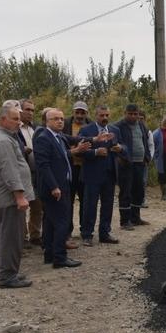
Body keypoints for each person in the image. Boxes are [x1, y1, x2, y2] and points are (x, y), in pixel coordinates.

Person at [0, 104, 35, 288]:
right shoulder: (2, 141)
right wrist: (19, 196)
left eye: (19, 119)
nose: (19, 122)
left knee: (2, 234)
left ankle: (7, 271)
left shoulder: (1, 137)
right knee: (10, 236)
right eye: (15, 119)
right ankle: (7, 276)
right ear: (3, 119)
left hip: (1, 196)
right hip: (8, 197)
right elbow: (10, 171)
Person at [34, 108, 89, 268]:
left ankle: (50, 254)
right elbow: (43, 165)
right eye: (55, 119)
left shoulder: (59, 137)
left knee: (51, 223)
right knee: (61, 223)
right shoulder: (44, 137)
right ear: (47, 121)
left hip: (61, 186)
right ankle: (60, 257)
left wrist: (97, 138)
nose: (59, 121)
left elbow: (76, 139)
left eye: (61, 118)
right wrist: (54, 186)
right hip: (54, 188)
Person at [79, 105, 122, 246]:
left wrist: (120, 148)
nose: (105, 118)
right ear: (96, 115)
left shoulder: (115, 130)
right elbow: (79, 151)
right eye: (102, 115)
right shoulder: (86, 130)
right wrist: (95, 152)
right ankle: (87, 235)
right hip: (92, 174)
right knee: (90, 205)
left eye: (107, 115)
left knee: (108, 205)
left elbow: (125, 146)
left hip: (110, 174)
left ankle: (105, 233)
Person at [112, 104, 151, 230]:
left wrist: (147, 157)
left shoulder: (141, 125)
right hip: (126, 164)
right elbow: (114, 144)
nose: (134, 116)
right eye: (131, 114)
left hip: (140, 163)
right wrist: (120, 158)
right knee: (126, 192)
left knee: (139, 191)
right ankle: (125, 221)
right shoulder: (117, 126)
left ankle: (135, 217)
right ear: (125, 113)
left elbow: (145, 141)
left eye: (136, 114)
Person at [16, 99, 43, 248]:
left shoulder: (36, 128)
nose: (30, 113)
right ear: (19, 110)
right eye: (27, 109)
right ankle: (22, 237)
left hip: (36, 173)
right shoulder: (14, 129)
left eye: (33, 110)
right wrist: (22, 150)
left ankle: (35, 234)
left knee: (37, 205)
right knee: (22, 206)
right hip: (21, 174)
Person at [64, 101, 90, 244]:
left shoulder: (91, 125)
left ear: (87, 113)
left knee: (85, 201)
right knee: (68, 201)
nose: (79, 115)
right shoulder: (66, 124)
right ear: (73, 112)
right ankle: (67, 231)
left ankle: (85, 231)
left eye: (82, 112)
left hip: (86, 168)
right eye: (77, 112)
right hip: (70, 167)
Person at [139, 110, 154, 208]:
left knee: (143, 181)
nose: (140, 120)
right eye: (138, 118)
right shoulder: (131, 129)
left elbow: (151, 146)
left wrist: (149, 159)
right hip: (132, 161)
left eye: (142, 118)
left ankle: (142, 200)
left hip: (144, 161)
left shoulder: (147, 131)